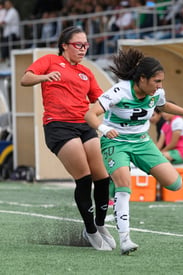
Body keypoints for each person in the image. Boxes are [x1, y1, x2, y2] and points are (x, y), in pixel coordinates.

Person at [84, 48, 183, 255]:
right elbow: (90, 115)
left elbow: (164, 104)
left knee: (175, 184)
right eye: (157, 81)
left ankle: (139, 168)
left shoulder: (156, 93)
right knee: (124, 186)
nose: (160, 86)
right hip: (116, 143)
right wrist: (105, 129)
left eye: (161, 82)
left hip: (143, 144)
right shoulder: (120, 91)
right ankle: (125, 239)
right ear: (142, 79)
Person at [20, 26, 116, 251]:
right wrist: (45, 76)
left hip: (84, 125)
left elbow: (99, 100)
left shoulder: (86, 72)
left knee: (102, 177)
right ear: (65, 45)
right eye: (78, 45)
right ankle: (90, 230)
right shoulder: (50, 60)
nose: (83, 49)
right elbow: (25, 79)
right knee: (84, 178)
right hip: (58, 126)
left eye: (86, 45)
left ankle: (100, 225)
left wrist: (119, 102)